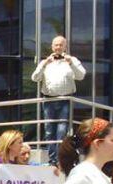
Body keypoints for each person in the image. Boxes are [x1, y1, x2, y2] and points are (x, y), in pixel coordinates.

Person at [30, 35, 86, 165]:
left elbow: (81, 75)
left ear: (65, 46)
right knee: (49, 131)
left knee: (61, 131)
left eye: (61, 45)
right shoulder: (45, 62)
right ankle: (52, 160)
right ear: (52, 46)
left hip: (65, 99)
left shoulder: (72, 60)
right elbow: (35, 78)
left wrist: (71, 63)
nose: (58, 47)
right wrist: (44, 64)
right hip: (48, 100)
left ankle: (60, 159)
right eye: (56, 45)